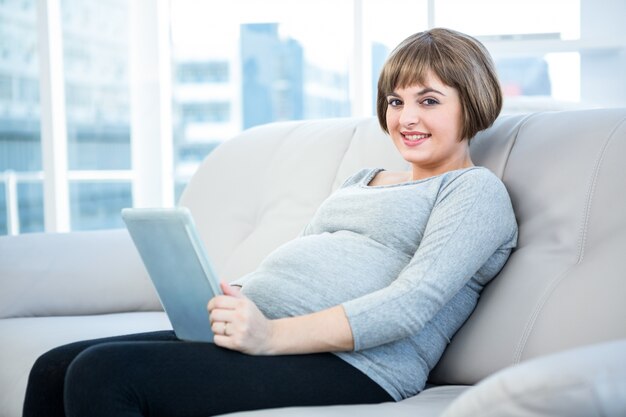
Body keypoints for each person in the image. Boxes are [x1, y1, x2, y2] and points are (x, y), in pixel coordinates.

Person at [23, 28, 518, 417]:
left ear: (471, 102)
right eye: (396, 101)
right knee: (52, 368)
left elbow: (411, 305)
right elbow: (300, 258)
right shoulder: (363, 178)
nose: (406, 117)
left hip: (357, 365)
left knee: (103, 376)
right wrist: (234, 300)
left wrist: (270, 337)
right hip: (259, 332)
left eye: (428, 100)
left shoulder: (473, 191)